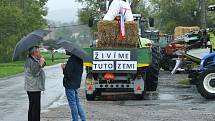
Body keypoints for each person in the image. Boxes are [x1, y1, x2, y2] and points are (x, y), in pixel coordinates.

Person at [61, 50, 86, 121]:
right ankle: (83, 119)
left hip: (70, 85)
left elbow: (68, 74)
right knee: (77, 103)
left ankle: (75, 119)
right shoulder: (79, 59)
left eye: (66, 49)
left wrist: (63, 68)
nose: (65, 50)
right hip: (75, 84)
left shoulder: (72, 60)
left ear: (71, 51)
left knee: (73, 104)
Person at [24, 46, 46, 121]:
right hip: (33, 87)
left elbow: (42, 65)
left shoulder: (32, 59)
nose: (40, 53)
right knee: (35, 108)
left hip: (33, 87)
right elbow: (35, 73)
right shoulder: (31, 61)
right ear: (34, 52)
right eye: (39, 51)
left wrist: (41, 61)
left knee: (33, 107)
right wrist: (40, 64)